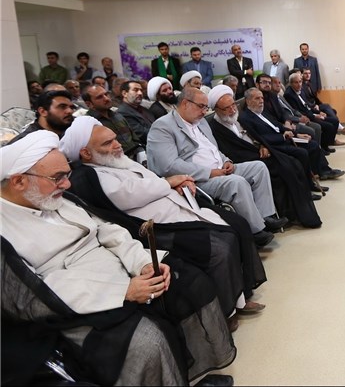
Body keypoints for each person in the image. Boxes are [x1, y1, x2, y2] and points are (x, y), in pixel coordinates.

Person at [0, 131, 236, 386]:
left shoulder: (51, 196)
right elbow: (33, 295)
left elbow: (106, 230)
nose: (67, 185)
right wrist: (123, 291)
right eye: (58, 177)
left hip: (119, 269)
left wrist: (142, 263)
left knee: (189, 283)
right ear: (19, 181)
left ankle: (189, 377)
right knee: (146, 342)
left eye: (66, 175)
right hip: (75, 303)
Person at [59, 116, 268, 325]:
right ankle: (227, 310)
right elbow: (130, 194)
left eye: (115, 139)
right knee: (221, 247)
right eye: (107, 143)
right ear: (86, 153)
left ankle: (241, 296)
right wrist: (169, 183)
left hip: (178, 207)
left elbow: (151, 180)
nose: (117, 145)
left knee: (237, 224)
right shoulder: (89, 175)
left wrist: (175, 184)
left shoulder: (118, 161)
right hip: (159, 226)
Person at [146, 86, 288, 238]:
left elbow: (213, 149)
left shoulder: (201, 122)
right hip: (198, 179)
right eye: (201, 106)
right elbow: (168, 166)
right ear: (185, 104)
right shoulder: (163, 127)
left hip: (220, 169)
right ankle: (256, 231)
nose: (204, 111)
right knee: (237, 182)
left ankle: (266, 217)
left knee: (259, 167)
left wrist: (226, 161)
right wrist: (210, 172)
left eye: (206, 107)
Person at [207, 86, 323, 228]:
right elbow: (230, 152)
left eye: (233, 105)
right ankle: (287, 214)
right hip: (246, 160)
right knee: (282, 171)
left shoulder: (238, 118)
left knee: (293, 163)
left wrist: (263, 145)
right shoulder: (215, 127)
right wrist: (258, 151)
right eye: (227, 108)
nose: (232, 110)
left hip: (260, 152)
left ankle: (299, 210)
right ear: (216, 109)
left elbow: (254, 136)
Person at [83, 85, 146, 164]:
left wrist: (141, 152)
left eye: (106, 94)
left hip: (136, 158)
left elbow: (134, 138)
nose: (106, 98)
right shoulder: (89, 124)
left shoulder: (117, 115)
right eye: (99, 97)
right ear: (89, 104)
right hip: (114, 163)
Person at [284, 71, 338, 153]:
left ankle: (328, 144)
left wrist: (318, 112)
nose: (299, 84)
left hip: (311, 114)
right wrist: (314, 116)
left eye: (300, 82)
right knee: (328, 126)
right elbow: (298, 111)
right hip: (306, 117)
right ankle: (322, 148)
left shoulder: (301, 90)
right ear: (291, 83)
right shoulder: (289, 94)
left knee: (334, 121)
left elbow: (307, 105)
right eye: (296, 82)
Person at [11, 90, 75, 142]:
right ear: (43, 111)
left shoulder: (73, 130)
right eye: (62, 107)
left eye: (71, 107)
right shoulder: (25, 141)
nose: (70, 111)